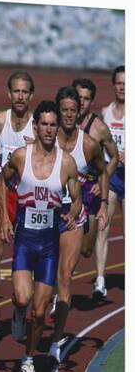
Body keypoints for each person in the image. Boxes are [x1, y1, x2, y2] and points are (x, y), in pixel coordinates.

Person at [0, 100, 81, 372]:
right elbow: (1, 180)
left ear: (57, 128)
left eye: (52, 124)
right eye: (43, 124)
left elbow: (77, 196)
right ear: (36, 126)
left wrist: (71, 213)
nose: (48, 129)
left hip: (48, 246)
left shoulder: (66, 162)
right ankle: (17, 311)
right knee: (23, 299)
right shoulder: (21, 156)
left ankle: (28, 359)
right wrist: (7, 218)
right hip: (24, 241)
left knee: (40, 312)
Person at [48, 86, 108, 362]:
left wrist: (103, 200)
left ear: (78, 112)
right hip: (46, 215)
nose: (70, 114)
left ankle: (56, 341)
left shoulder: (88, 144)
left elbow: (104, 170)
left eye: (73, 110)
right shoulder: (47, 139)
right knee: (41, 282)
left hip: (74, 216)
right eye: (65, 110)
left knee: (65, 275)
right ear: (58, 113)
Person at [0, 70, 35, 338]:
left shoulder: (38, 126)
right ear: (9, 94)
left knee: (27, 259)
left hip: (27, 199)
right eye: (16, 91)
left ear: (31, 95)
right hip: (1, 193)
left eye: (25, 91)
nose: (20, 96)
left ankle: (20, 310)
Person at [72, 77, 119, 259]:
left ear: (92, 101)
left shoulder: (99, 128)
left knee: (86, 250)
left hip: (89, 190)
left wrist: (103, 181)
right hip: (66, 187)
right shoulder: (63, 121)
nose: (81, 102)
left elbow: (114, 156)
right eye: (78, 97)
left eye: (86, 98)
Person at [93, 66, 125, 300]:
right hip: (111, 175)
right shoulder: (105, 113)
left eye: (127, 83)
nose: (123, 87)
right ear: (113, 86)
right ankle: (101, 280)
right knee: (102, 225)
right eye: (119, 83)